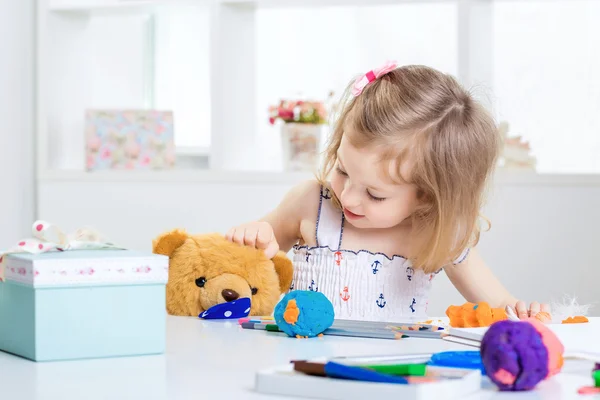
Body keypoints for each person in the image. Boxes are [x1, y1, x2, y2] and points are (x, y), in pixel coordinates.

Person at [226, 61, 549, 322]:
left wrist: (523, 312)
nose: (349, 197)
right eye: (342, 170)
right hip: (305, 369)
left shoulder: (438, 233)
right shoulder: (312, 204)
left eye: (375, 195)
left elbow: (501, 306)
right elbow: (247, 273)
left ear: (427, 196)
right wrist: (255, 240)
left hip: (395, 376)